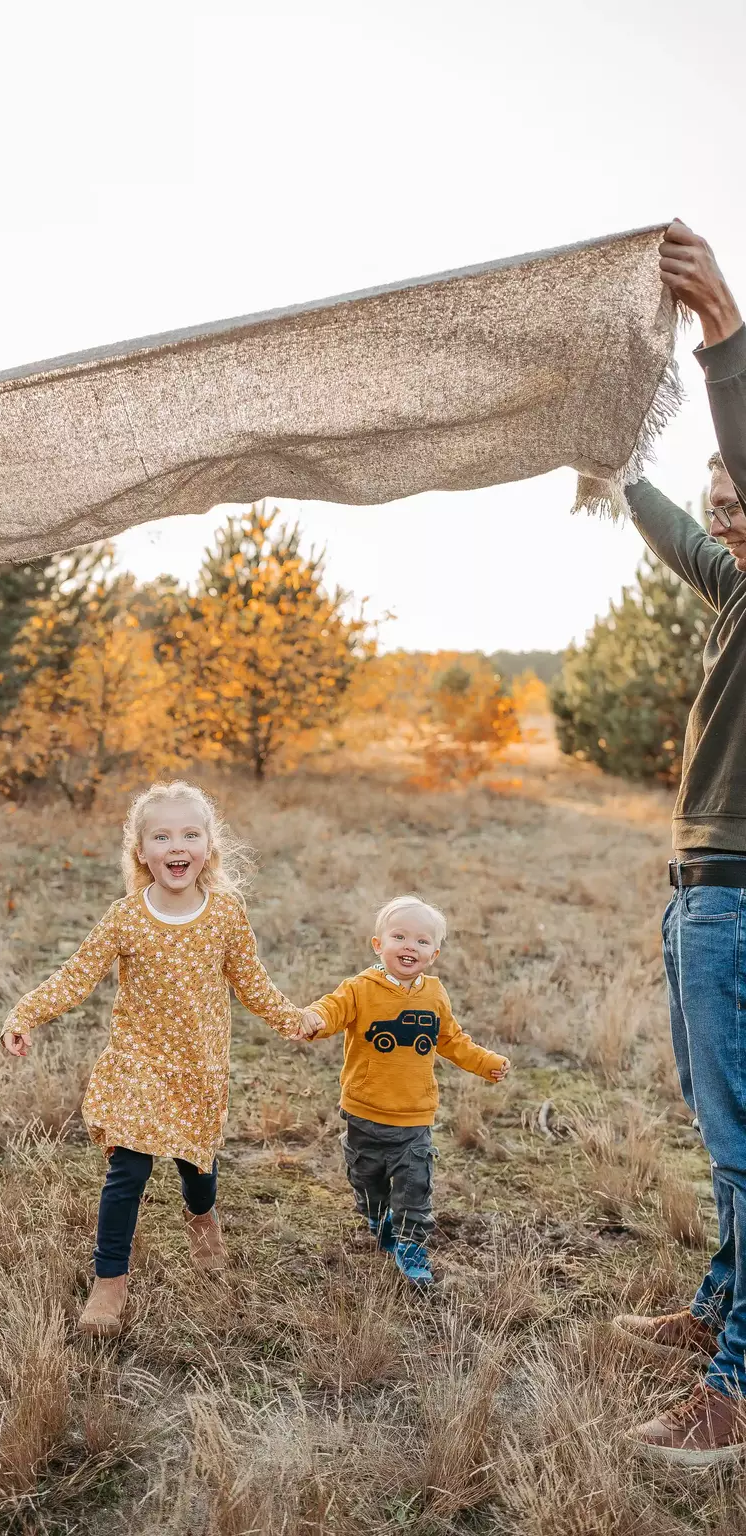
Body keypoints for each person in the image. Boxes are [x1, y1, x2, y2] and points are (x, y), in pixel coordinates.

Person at [0, 779, 313, 1339]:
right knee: (128, 1173)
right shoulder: (126, 918)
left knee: (197, 1171)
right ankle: (109, 1281)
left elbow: (252, 983)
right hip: (137, 1067)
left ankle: (202, 1217)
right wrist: (25, 1014)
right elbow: (76, 978)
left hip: (199, 1070)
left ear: (208, 847)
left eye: (190, 834)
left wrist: (294, 1019)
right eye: (162, 836)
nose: (177, 846)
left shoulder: (224, 914)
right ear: (141, 852)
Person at [610, 220, 746, 1465]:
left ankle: (737, 1391)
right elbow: (678, 541)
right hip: (702, 895)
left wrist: (725, 340)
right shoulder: (737, 590)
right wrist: (614, 472)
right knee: (728, 1140)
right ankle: (720, 1313)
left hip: (741, 904)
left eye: (737, 496)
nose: (724, 519)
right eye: (716, 503)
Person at [300, 894, 509, 1287]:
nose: (410, 946)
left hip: (414, 1117)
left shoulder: (433, 995)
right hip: (364, 1112)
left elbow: (450, 1039)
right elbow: (332, 1009)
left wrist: (485, 1062)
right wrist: (313, 1018)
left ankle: (412, 1246)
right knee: (367, 1180)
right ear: (379, 945)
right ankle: (378, 1219)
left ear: (434, 954)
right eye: (399, 936)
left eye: (422, 941)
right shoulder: (360, 988)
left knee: (415, 1187)